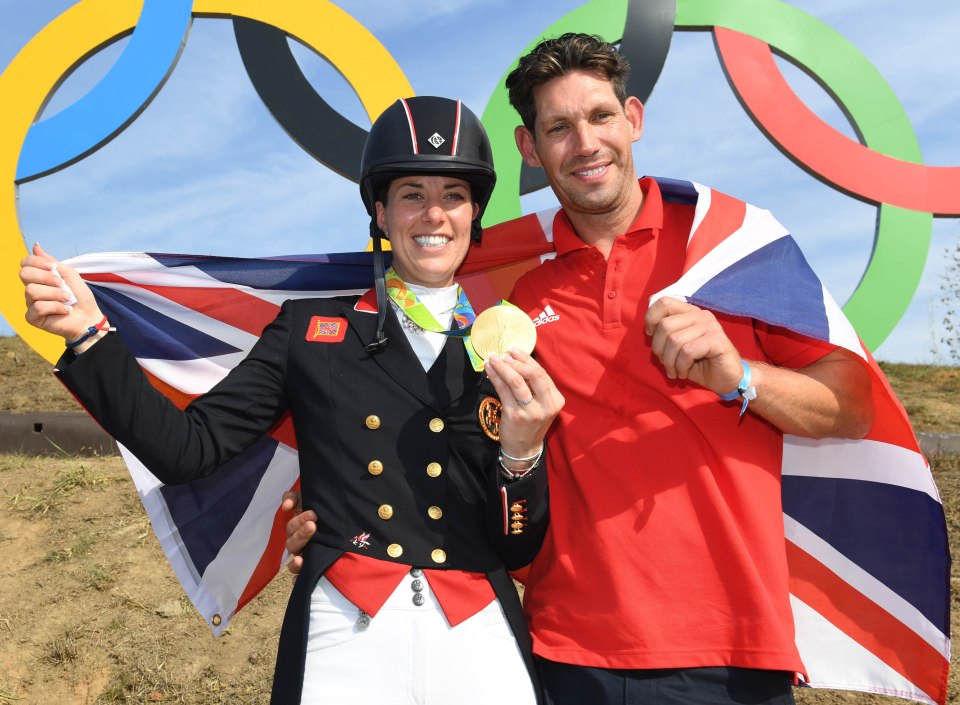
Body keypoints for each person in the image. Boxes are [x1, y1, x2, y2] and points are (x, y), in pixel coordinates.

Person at [285, 34, 875, 705]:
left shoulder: (730, 244)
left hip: (735, 648)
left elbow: (852, 404)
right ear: (530, 149)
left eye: (599, 116)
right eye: (559, 128)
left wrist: (740, 374)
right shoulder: (505, 294)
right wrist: (337, 510)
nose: (586, 143)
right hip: (569, 654)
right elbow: (410, 402)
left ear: (634, 119)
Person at [19, 96, 564, 705]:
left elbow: (519, 545)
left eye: (453, 196)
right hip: (345, 631)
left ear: (474, 214)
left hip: (478, 631)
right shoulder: (309, 332)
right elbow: (185, 451)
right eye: (412, 193)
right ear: (381, 214)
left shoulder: (510, 349)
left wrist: (521, 455)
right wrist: (92, 339)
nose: (433, 214)